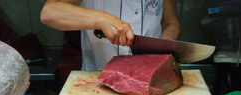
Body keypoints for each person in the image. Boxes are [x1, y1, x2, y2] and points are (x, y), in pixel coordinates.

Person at [40, 0, 180, 70]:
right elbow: (50, 12)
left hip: (151, 76)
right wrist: (101, 19)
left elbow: (171, 22)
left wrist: (165, 45)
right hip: (98, 79)